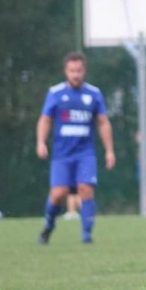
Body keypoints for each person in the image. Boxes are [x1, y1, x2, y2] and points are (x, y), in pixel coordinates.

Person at [36, 52, 115, 244]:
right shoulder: (55, 93)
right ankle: (48, 226)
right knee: (58, 194)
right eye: (72, 71)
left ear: (84, 71)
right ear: (66, 71)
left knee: (85, 189)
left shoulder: (94, 94)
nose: (76, 75)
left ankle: (87, 235)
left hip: (85, 153)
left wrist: (109, 150)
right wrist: (41, 142)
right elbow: (45, 119)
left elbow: (103, 122)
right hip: (62, 155)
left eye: (79, 71)